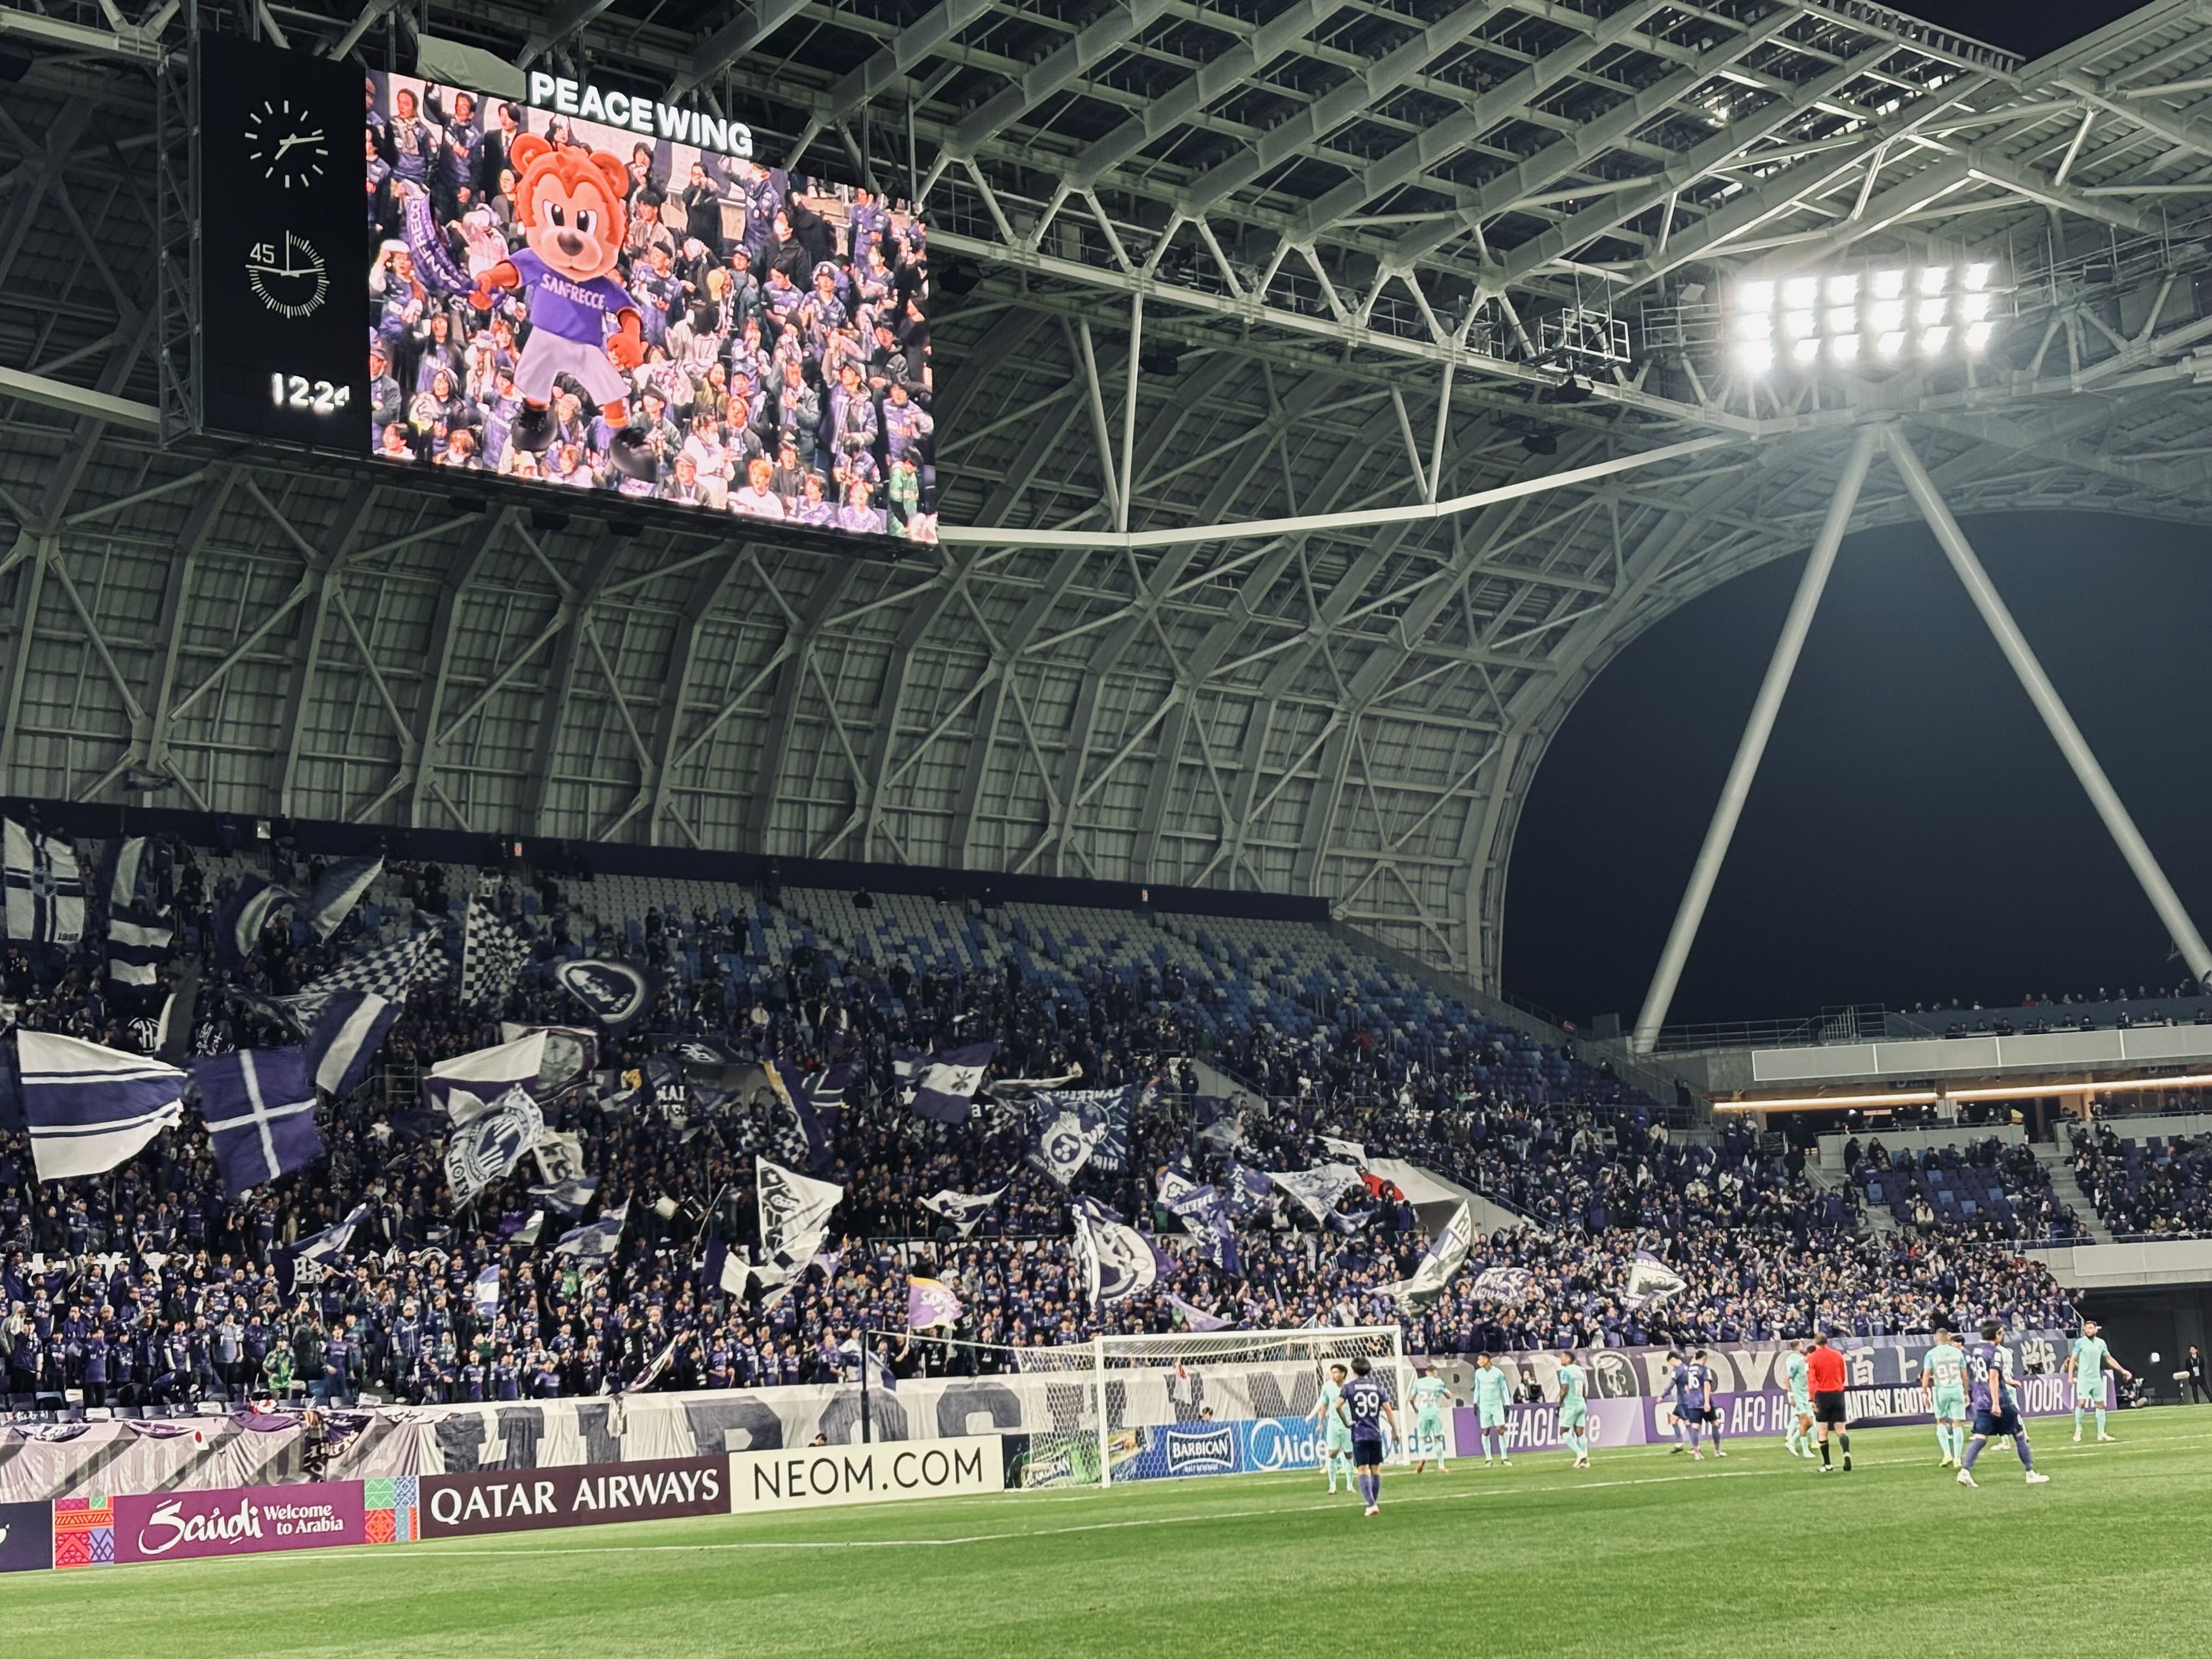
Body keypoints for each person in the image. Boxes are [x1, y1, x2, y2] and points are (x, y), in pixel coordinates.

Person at [1960, 1321, 2050, 1487]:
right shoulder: (1996, 1352)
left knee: (1981, 1438)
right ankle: (2030, 1473)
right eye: (2001, 1333)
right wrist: (1996, 1403)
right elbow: (1993, 1378)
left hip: (1982, 1401)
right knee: (2019, 1434)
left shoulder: (1976, 1351)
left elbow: (1986, 1375)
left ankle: (1965, 1471)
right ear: (1997, 1334)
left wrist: (2007, 1381)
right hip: (2000, 1401)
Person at [1335, 1355, 1397, 1518]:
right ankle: (1373, 1503)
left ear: (1354, 1371)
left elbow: (1337, 1405)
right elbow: (1388, 1410)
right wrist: (1395, 1431)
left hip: (1359, 1433)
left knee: (1362, 1470)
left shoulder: (1349, 1388)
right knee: (1375, 1469)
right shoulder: (1378, 1387)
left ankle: (1371, 1504)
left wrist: (1346, 1422)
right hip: (1375, 1433)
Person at [2067, 1319, 2131, 1442]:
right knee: (2081, 1403)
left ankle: (2101, 1433)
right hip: (2084, 1379)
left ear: (2096, 1330)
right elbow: (2073, 1360)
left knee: (2101, 1405)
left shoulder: (2101, 1343)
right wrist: (2070, 1377)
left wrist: (2123, 1370)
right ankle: (2078, 1430)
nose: (2088, 1330)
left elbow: (2109, 1359)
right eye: (2087, 1328)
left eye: (2091, 1328)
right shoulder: (2080, 1343)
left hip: (2096, 1379)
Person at [1922, 1324, 1970, 1469]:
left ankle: (1947, 1454)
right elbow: (1964, 1375)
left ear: (1936, 1339)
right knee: (1957, 1424)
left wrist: (1924, 1393)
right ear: (1948, 1338)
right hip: (1957, 1389)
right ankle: (1958, 1458)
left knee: (1941, 1422)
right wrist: (1966, 1393)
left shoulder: (1931, 1354)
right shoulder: (1957, 1353)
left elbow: (1926, 1375)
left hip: (1941, 1390)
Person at [1806, 1330, 1850, 1472]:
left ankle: (1828, 1464)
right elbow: (1843, 1375)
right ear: (1827, 1341)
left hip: (1822, 1395)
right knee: (1841, 1430)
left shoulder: (1813, 1358)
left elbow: (1812, 1380)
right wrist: (1839, 1386)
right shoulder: (1838, 1355)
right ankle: (1846, 1453)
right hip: (1837, 1393)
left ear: (1815, 1342)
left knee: (1822, 1431)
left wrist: (1811, 1399)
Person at [1313, 1362, 1356, 1498]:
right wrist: (1320, 1423)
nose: (1333, 1375)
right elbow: (1324, 1405)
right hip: (1333, 1424)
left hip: (1348, 1424)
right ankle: (1333, 1486)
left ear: (1343, 1374)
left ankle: (1350, 1485)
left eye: (1336, 1372)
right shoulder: (1328, 1387)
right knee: (1332, 1453)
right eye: (1332, 1372)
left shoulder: (1350, 1388)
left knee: (1349, 1454)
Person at [1472, 1351, 1513, 1466]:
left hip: (1497, 1405)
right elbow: (1477, 1388)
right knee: (1486, 1431)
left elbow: (1504, 1388)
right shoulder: (1478, 1373)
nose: (1478, 1362)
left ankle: (1504, 1458)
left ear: (1487, 1360)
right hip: (1484, 1406)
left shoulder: (1498, 1373)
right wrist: (1475, 1403)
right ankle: (1488, 1459)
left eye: (1480, 1359)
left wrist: (1507, 1404)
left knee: (1501, 1430)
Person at [1409, 1364, 1451, 1475]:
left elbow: (1411, 1399)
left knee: (1422, 1438)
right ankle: (1441, 1466)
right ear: (1434, 1373)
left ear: (1427, 1372)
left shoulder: (1419, 1383)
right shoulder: (1438, 1382)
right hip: (1435, 1413)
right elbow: (1449, 1396)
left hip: (1423, 1413)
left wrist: (1416, 1409)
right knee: (1438, 1439)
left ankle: (1423, 1457)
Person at [1555, 1348, 1592, 1470]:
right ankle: (1585, 1461)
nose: (1561, 1359)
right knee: (1580, 1433)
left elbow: (1564, 1389)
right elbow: (1585, 1389)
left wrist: (1559, 1404)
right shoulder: (1580, 1371)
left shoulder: (1565, 1371)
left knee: (1563, 1431)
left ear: (1569, 1359)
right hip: (1581, 1403)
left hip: (1572, 1405)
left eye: (1563, 1357)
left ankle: (1580, 1454)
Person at [1781, 1338, 1815, 1459]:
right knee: (1804, 1421)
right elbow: (1787, 1379)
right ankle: (1805, 1451)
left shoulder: (1808, 1365)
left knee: (1810, 1423)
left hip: (1806, 1396)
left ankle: (1791, 1441)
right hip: (1798, 1396)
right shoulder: (1798, 1363)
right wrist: (1790, 1395)